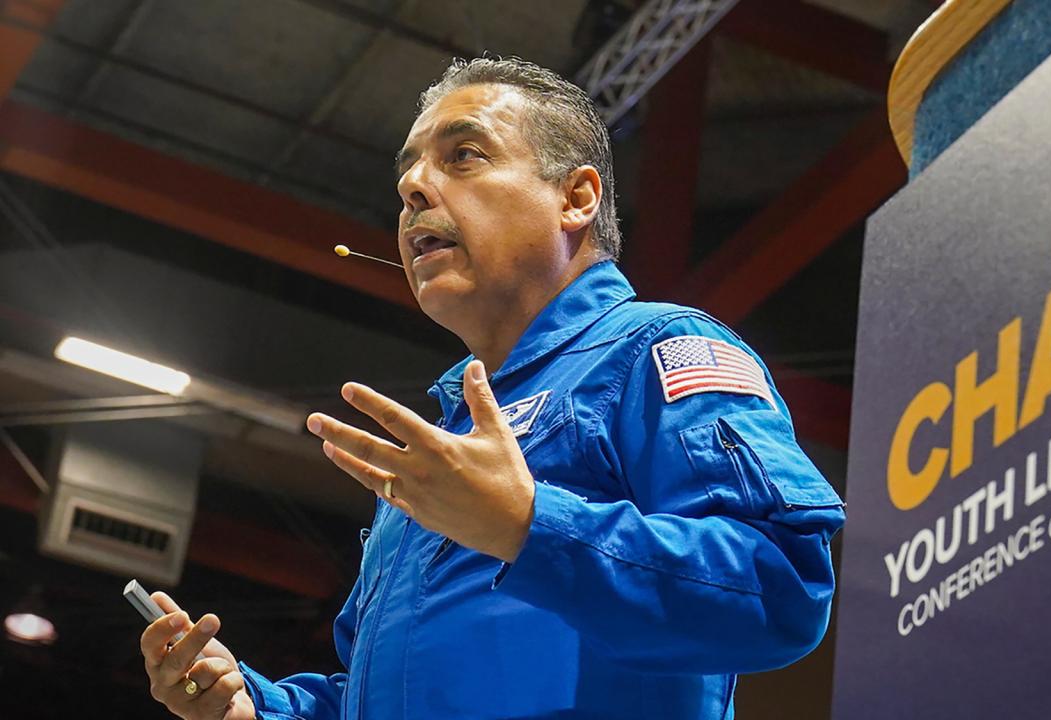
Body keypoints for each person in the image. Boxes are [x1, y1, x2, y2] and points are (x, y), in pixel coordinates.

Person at [139, 56, 846, 720]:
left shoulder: (655, 349)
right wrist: (257, 707)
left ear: (575, 198)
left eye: (463, 156)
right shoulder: (446, 451)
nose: (414, 187)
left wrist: (530, 525)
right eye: (407, 176)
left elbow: (782, 588)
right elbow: (378, 693)